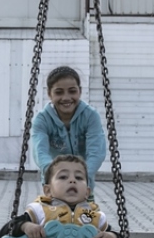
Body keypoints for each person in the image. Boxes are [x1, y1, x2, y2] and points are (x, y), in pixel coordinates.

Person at [31, 66, 107, 195]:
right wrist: (55, 174)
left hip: (83, 183)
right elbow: (40, 152)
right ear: (49, 93)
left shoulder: (90, 116)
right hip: (55, 184)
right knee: (55, 208)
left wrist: (82, 176)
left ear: (80, 91)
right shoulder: (42, 119)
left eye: (72, 91)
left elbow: (96, 152)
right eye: (59, 92)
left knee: (85, 208)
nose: (66, 97)